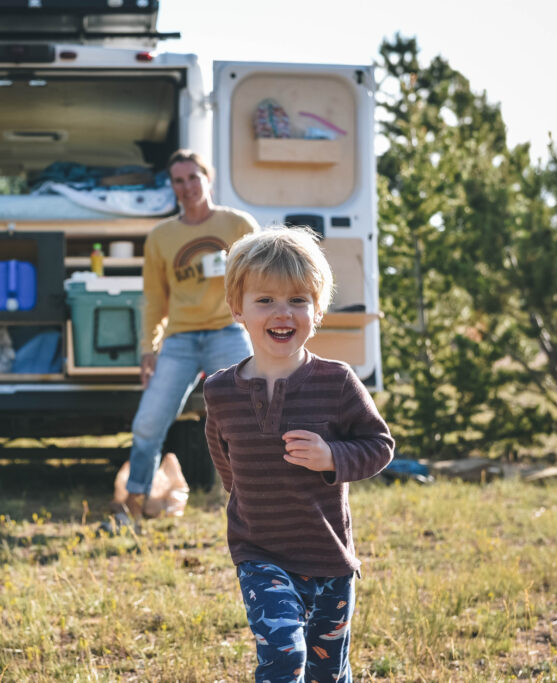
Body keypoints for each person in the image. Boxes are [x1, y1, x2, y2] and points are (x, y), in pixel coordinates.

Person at [203, 228, 394, 683]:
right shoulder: (220, 391)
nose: (282, 312)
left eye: (297, 300)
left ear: (317, 309)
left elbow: (379, 445)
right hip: (260, 553)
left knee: (329, 673)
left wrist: (332, 456)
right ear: (238, 310)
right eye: (265, 300)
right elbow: (223, 457)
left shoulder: (336, 381)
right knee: (285, 656)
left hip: (329, 557)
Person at [121, 149, 259, 518]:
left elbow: (261, 279)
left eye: (193, 178)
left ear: (208, 179)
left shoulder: (238, 225)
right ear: (172, 187)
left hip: (227, 332)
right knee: (148, 423)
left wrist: (259, 330)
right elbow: (154, 300)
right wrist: (148, 349)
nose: (187, 187)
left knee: (250, 416)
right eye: (178, 181)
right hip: (179, 340)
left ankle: (253, 502)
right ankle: (133, 507)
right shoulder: (161, 237)